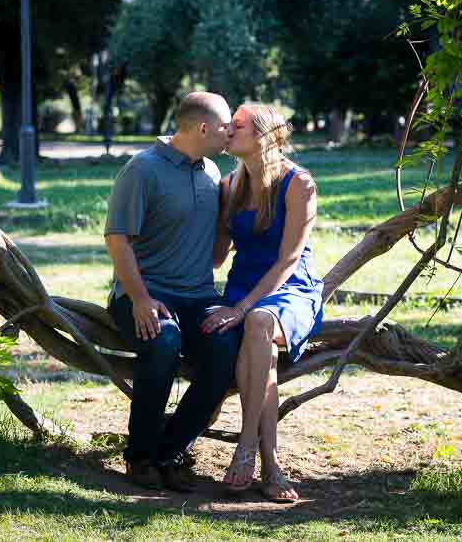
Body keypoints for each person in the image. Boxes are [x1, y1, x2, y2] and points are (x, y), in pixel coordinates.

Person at [104, 91, 239, 492]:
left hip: (198, 296)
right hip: (141, 294)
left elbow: (215, 258)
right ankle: (141, 456)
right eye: (224, 125)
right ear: (202, 128)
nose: (230, 131)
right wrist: (142, 299)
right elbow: (117, 240)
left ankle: (171, 451)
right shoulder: (141, 169)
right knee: (163, 343)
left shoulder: (213, 173)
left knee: (226, 347)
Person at [202, 103, 323, 503]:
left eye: (236, 125)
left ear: (263, 136)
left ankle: (246, 446)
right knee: (260, 348)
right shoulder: (228, 186)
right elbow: (217, 256)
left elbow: (289, 260)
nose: (226, 129)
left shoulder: (298, 183)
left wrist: (240, 309)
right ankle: (271, 466)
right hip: (242, 287)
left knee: (258, 322)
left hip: (290, 288)